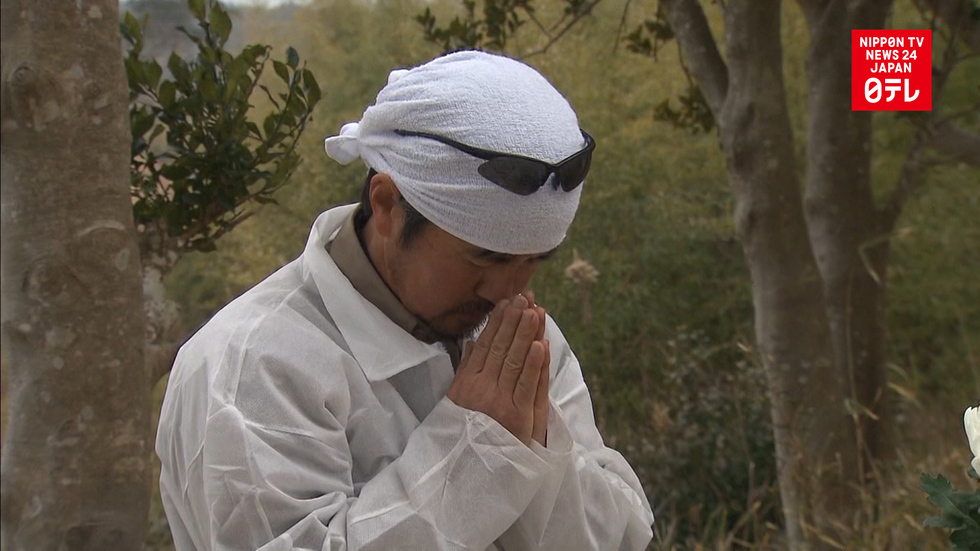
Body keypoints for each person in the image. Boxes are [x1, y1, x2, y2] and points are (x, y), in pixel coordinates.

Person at [156, 50, 654, 551]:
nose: (508, 293)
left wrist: (538, 447)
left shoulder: (521, 338)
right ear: (388, 205)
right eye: (484, 259)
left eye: (534, 261)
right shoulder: (254, 367)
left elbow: (618, 539)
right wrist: (478, 449)